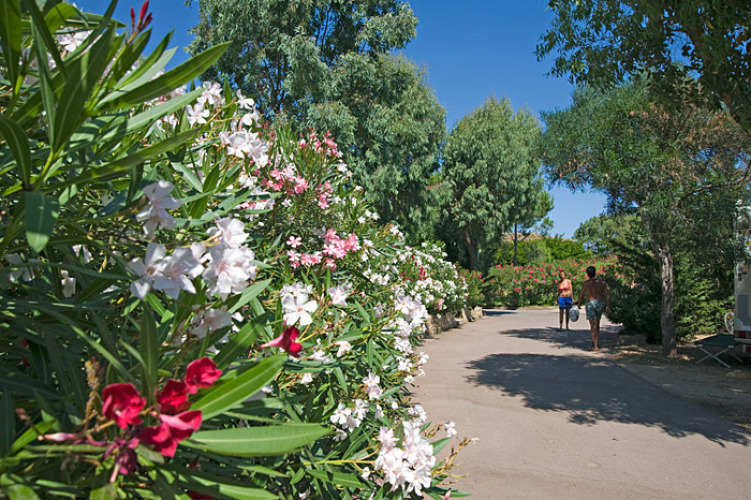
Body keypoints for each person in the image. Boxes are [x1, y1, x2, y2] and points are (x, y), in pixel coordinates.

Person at [576, 265, 611, 351]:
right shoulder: (602, 283)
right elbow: (607, 294)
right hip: (599, 302)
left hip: (590, 303)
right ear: (595, 273)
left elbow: (581, 295)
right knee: (597, 323)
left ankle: (595, 345)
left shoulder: (586, 283)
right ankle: (596, 341)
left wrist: (579, 304)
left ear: (587, 274)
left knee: (592, 325)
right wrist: (608, 305)